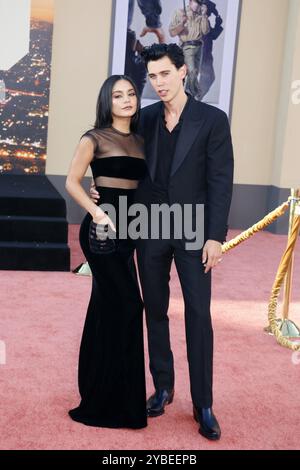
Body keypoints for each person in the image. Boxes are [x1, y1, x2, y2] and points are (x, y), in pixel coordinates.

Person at [91, 43, 234, 440]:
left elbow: (221, 183)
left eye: (165, 74)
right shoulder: (146, 118)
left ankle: (203, 403)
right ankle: (163, 387)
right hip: (149, 229)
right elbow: (118, 157)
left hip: (192, 231)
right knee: (153, 309)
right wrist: (100, 187)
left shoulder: (212, 120)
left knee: (198, 314)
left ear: (183, 72)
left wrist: (215, 237)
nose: (159, 83)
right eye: (152, 77)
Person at [66, 75, 147, 429]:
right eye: (118, 95)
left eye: (131, 93)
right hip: (101, 231)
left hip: (130, 230)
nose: (126, 99)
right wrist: (97, 210)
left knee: (105, 305)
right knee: (130, 304)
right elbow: (72, 181)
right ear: (107, 101)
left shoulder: (143, 140)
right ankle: (109, 401)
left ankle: (105, 393)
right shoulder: (94, 138)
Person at [169, 0, 210, 99]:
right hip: (187, 47)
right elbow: (172, 32)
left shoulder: (201, 15)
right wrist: (182, 24)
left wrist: (204, 16)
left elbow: (205, 31)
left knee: (194, 73)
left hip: (199, 48)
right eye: (197, 2)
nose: (199, 5)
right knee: (191, 71)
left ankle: (187, 96)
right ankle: (195, 93)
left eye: (200, 3)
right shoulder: (180, 13)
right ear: (191, 1)